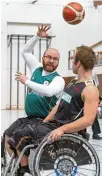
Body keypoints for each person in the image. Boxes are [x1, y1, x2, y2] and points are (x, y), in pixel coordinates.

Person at [8, 45, 99, 176]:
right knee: (16, 132)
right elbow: (58, 106)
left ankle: (23, 170)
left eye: (72, 59)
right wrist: (44, 121)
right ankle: (22, 168)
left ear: (78, 63)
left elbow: (88, 120)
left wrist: (62, 129)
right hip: (53, 124)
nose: (71, 63)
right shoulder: (74, 82)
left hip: (63, 129)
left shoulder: (90, 89)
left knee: (20, 135)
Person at [2, 25, 65, 160]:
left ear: (58, 62)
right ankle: (18, 166)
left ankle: (23, 169)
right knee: (6, 136)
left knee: (17, 139)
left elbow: (48, 92)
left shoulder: (58, 79)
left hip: (44, 122)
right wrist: (37, 36)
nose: (51, 61)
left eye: (55, 59)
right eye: (49, 57)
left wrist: (27, 81)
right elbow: (25, 52)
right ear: (43, 57)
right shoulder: (36, 68)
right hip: (29, 118)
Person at [92, 71, 102, 140]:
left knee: (94, 117)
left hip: (92, 95)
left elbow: (97, 86)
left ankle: (95, 133)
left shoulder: (94, 73)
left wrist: (97, 98)